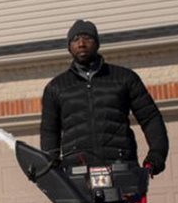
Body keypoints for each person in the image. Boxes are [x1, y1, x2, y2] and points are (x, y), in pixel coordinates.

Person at [40, 20, 169, 175]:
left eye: (87, 38)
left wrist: (157, 155)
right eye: (75, 40)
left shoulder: (124, 78)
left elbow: (150, 118)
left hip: (122, 167)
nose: (81, 44)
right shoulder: (56, 87)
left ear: (97, 43)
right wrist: (51, 166)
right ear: (69, 47)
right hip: (77, 172)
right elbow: (49, 131)